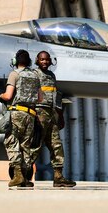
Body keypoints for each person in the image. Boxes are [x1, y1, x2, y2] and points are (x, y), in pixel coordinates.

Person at [29, 50, 76, 188]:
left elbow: (55, 97)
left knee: (57, 146)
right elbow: (31, 95)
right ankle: (25, 175)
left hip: (51, 114)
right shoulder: (34, 74)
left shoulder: (51, 75)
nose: (44, 62)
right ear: (37, 61)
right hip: (39, 113)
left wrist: (60, 116)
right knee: (35, 145)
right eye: (42, 59)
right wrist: (34, 115)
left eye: (47, 59)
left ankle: (58, 177)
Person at [0, 49, 40, 188]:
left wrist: (1, 96)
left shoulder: (14, 74)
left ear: (15, 61)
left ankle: (17, 175)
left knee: (12, 142)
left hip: (17, 113)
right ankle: (27, 178)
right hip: (31, 115)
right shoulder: (35, 75)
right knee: (26, 146)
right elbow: (40, 98)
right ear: (29, 61)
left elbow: (8, 96)